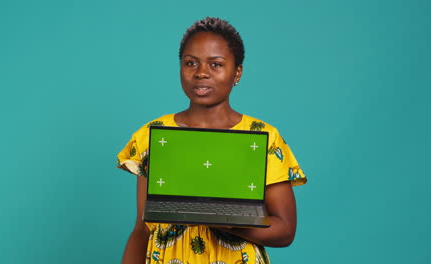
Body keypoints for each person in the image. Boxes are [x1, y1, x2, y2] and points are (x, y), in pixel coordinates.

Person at [117, 17, 307, 264]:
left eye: (215, 64)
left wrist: (227, 223)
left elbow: (285, 230)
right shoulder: (153, 135)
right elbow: (142, 228)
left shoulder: (264, 137)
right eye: (190, 63)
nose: (201, 73)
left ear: (237, 72)